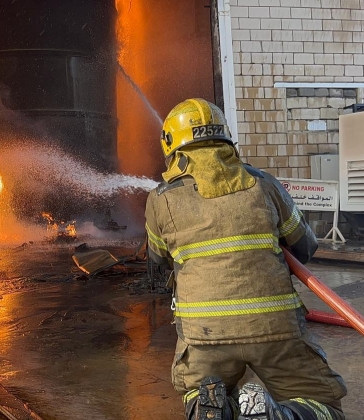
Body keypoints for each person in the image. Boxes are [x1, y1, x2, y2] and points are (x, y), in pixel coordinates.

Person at [145, 99, 347, 420]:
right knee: (322, 403)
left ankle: (209, 410)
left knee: (200, 389)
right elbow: (305, 247)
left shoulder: (159, 198)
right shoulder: (264, 183)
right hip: (275, 329)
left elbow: (158, 259)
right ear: (225, 136)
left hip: (204, 335)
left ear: (171, 144)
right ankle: (278, 416)